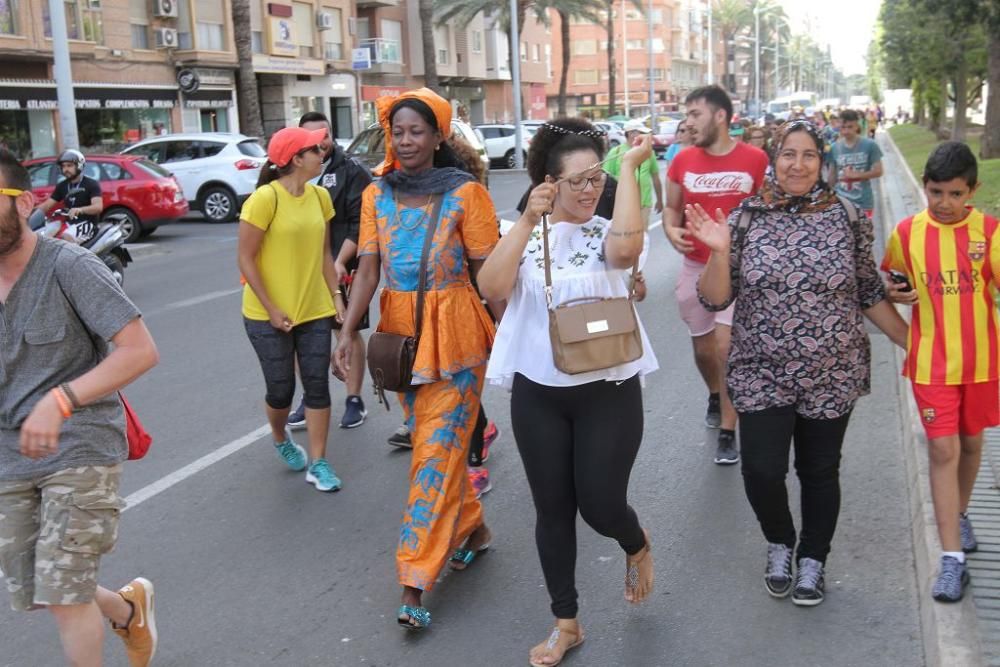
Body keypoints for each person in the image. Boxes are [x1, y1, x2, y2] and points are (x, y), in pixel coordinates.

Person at [688, 121, 909, 607]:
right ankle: (780, 542)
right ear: (774, 158)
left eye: (809, 155)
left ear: (822, 160)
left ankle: (813, 559)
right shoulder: (745, 218)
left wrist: (915, 344)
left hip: (833, 371)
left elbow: (867, 291)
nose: (798, 165)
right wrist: (720, 252)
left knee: (819, 470)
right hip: (760, 367)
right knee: (762, 470)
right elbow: (714, 296)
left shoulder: (848, 216)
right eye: (789, 154)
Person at [477, 120, 658, 666]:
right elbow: (491, 288)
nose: (589, 190)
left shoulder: (612, 231)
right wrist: (529, 219)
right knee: (552, 510)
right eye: (576, 181)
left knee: (602, 505)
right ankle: (566, 622)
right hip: (540, 392)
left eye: (595, 178)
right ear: (548, 183)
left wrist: (628, 167)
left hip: (610, 387)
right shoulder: (523, 232)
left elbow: (626, 256)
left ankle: (636, 542)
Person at [333, 88, 499, 630]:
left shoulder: (466, 194)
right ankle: (474, 528)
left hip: (458, 339)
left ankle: (414, 580)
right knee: (439, 452)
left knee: (432, 458)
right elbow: (371, 271)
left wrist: (517, 331)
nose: (406, 141)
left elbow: (488, 275)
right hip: (401, 342)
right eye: (398, 131)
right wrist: (347, 332)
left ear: (438, 136)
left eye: (417, 131)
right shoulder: (376, 195)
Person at [0, 149, 160, 666]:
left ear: (22, 203)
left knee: (65, 593)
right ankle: (125, 611)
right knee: (43, 587)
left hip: (81, 441)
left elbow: (140, 351)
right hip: (9, 452)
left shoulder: (68, 266)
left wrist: (61, 399)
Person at [881, 141, 1000, 603]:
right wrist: (896, 291)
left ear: (973, 190)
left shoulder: (988, 233)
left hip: (982, 363)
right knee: (943, 450)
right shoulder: (907, 233)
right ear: (925, 189)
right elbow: (889, 276)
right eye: (935, 193)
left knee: (971, 444)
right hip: (930, 364)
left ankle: (961, 513)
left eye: (955, 194)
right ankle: (952, 560)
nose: (944, 204)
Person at [663, 85, 769, 464]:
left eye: (695, 114)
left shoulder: (756, 159)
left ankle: (728, 429)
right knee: (704, 349)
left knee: (726, 347)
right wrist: (670, 230)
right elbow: (671, 210)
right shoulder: (682, 161)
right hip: (695, 267)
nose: (688, 122)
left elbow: (769, 211)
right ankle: (714, 391)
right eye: (687, 115)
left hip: (739, 271)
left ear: (720, 116)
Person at [237, 126, 345, 492]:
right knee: (280, 390)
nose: (322, 151)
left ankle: (319, 462)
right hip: (267, 314)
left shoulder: (319, 197)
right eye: (315, 148)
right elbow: (246, 259)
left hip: (313, 308)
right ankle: (281, 436)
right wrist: (270, 307)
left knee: (317, 385)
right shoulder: (265, 199)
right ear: (297, 159)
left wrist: (337, 297)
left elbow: (325, 255)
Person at [282, 111, 373, 431]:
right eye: (309, 139)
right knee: (298, 332)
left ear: (331, 137)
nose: (317, 144)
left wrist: (338, 260)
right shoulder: (288, 171)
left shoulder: (351, 172)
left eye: (322, 137)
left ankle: (353, 399)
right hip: (298, 271)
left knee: (346, 329)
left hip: (340, 265)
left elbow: (359, 224)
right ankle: (311, 397)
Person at [603, 119, 663, 226]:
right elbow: (605, 176)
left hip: (644, 204)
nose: (644, 135)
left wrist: (659, 200)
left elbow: (655, 177)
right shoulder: (616, 152)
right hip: (623, 204)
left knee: (643, 238)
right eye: (641, 132)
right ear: (631, 134)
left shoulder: (648, 152)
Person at [36, 150, 103, 244]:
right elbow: (47, 205)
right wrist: (30, 213)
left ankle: (74, 259)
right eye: (63, 166)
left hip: (88, 223)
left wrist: (80, 210)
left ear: (79, 165)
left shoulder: (91, 184)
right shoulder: (62, 186)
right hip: (69, 223)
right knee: (43, 237)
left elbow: (98, 207)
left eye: (69, 165)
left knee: (66, 237)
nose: (65, 169)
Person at [827, 109, 883, 219]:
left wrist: (857, 175)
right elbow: (832, 174)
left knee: (864, 234)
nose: (846, 131)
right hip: (841, 202)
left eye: (850, 127)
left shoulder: (870, 145)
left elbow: (879, 171)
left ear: (857, 126)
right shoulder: (834, 148)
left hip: (864, 202)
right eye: (843, 127)